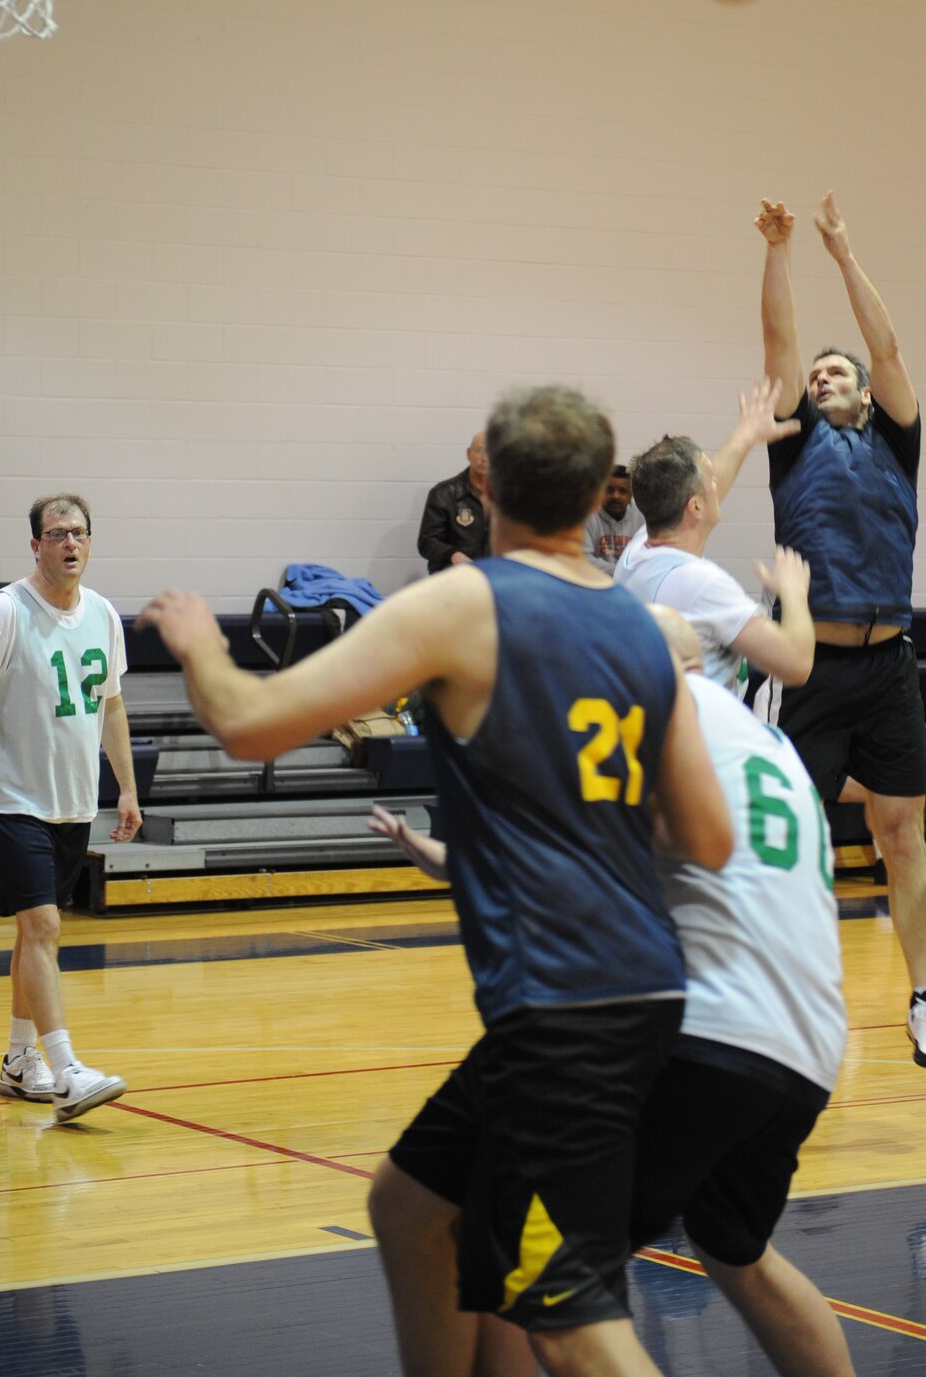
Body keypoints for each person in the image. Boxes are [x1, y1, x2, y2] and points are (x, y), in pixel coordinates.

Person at [140, 385, 733, 1377]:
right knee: (411, 1204)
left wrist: (201, 643)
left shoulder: (468, 602)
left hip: (566, 1009)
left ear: (488, 485)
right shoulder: (641, 627)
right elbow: (705, 838)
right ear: (600, 494)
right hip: (635, 988)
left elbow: (248, 723)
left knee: (569, 1322)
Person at [374, 606, 856, 1377]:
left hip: (688, 1030)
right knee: (735, 1251)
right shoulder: (767, 743)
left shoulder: (642, 712)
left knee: (543, 1291)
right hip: (803, 1049)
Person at [755, 191, 926, 1072]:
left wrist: (841, 252)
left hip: (888, 665)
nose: (823, 378)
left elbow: (890, 348)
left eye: (838, 373)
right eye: (818, 375)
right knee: (793, 840)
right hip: (808, 669)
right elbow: (779, 343)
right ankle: (786, 996)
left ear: (867, 393)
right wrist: (780, 250)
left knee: (902, 833)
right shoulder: (793, 442)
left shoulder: (895, 442)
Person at [0, 494, 141, 1123]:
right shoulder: (5, 613)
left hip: (73, 802)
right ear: (35, 545)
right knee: (44, 928)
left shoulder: (102, 613)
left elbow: (111, 704)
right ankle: (66, 1070)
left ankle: (19, 1060)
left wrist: (127, 788)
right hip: (11, 800)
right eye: (56, 534)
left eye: (78, 532)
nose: (69, 543)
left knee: (34, 934)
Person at [616, 379, 814, 694]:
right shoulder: (702, 585)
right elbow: (796, 664)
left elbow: (698, 491)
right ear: (695, 506)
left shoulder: (637, 551)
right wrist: (794, 593)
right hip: (698, 723)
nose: (716, 484)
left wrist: (746, 435)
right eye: (710, 479)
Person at [417, 432, 490, 573]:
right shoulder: (442, 494)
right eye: (480, 450)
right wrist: (452, 554)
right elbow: (427, 542)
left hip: (495, 576)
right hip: (453, 576)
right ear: (469, 453)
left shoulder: (507, 496)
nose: (485, 458)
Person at [582, 465, 642, 576]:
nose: (615, 496)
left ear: (631, 494)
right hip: (596, 579)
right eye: (609, 490)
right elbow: (584, 558)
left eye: (622, 491)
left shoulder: (642, 514)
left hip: (632, 580)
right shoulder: (589, 513)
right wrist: (620, 572)